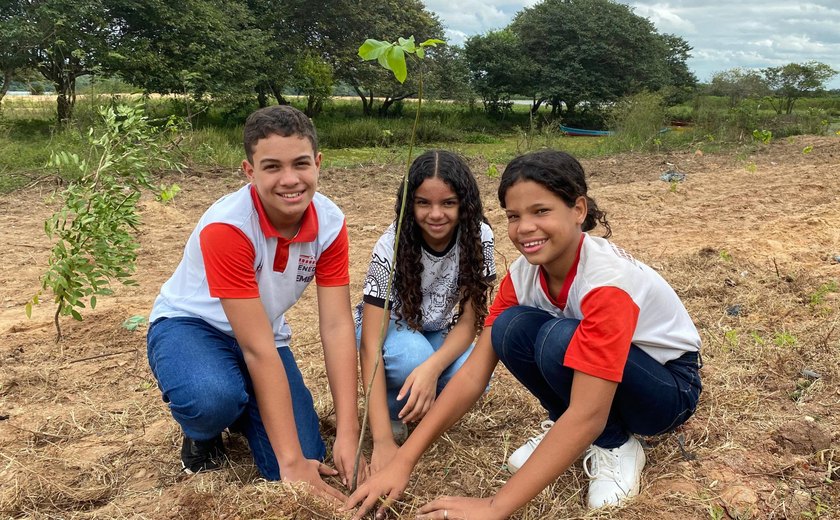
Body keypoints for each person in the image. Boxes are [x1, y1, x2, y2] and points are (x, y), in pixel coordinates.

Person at [344, 150, 702, 519]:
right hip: (605, 376)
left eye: (540, 211)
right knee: (511, 327)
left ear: (578, 209)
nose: (525, 227)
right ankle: (565, 434)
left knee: (557, 340)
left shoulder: (607, 282)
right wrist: (402, 461)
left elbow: (588, 413)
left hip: (666, 391)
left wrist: (495, 506)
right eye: (514, 216)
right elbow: (471, 375)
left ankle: (615, 443)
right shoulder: (522, 274)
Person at [146, 105, 365, 501]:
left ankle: (245, 406)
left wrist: (348, 433)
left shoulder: (330, 223)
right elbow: (256, 350)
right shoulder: (228, 227)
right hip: (192, 328)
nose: (290, 180)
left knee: (309, 452)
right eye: (271, 167)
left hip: (265, 334)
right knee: (213, 398)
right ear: (250, 172)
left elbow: (335, 326)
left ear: (318, 163)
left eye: (301, 163)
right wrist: (291, 464)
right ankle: (204, 432)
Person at [356, 150, 495, 473]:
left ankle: (420, 410)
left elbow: (469, 321)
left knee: (475, 372)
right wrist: (382, 441)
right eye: (423, 203)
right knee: (412, 358)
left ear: (464, 203)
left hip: (438, 329)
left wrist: (433, 369)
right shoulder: (390, 244)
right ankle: (390, 413)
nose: (436, 214)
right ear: (409, 204)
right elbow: (371, 346)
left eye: (448, 203)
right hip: (391, 330)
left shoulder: (480, 237)